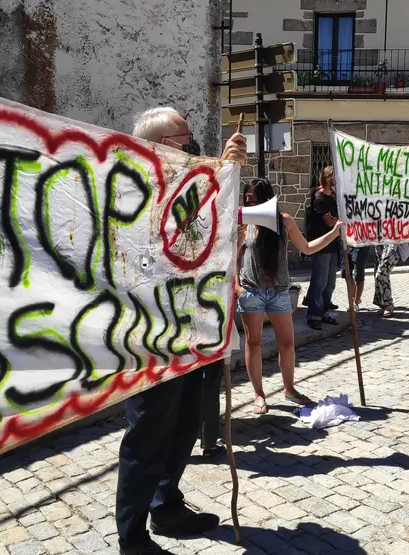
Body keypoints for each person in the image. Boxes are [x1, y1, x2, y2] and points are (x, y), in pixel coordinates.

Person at [116, 107, 246, 555]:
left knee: (185, 425)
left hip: (190, 331)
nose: (195, 148)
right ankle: (132, 538)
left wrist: (228, 175)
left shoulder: (184, 184)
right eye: (188, 141)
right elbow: (168, 234)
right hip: (151, 337)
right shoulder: (135, 189)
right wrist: (221, 172)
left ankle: (166, 504)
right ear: (163, 146)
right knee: (148, 435)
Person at [237, 179, 343, 414]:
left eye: (253, 199)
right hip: (252, 291)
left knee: (287, 344)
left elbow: (306, 248)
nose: (248, 203)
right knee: (253, 343)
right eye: (246, 199)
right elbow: (233, 256)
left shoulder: (284, 221)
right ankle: (258, 394)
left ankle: (289, 389)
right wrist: (237, 285)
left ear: (265, 199)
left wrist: (334, 233)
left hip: (279, 292)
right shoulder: (246, 225)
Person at [304, 166, 341, 330]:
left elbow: (336, 219)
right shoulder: (319, 197)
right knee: (319, 281)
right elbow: (329, 221)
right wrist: (338, 222)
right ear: (327, 178)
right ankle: (313, 315)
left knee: (329, 282)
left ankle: (323, 312)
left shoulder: (333, 197)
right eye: (333, 177)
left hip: (333, 244)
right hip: (321, 245)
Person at [372, 244, 401, 317]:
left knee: (381, 274)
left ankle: (388, 304)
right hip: (379, 242)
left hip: (392, 243)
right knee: (383, 274)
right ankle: (384, 303)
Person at [344, 246, 370, 313]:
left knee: (358, 275)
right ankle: (353, 299)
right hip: (346, 245)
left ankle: (356, 302)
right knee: (345, 273)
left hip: (360, 245)